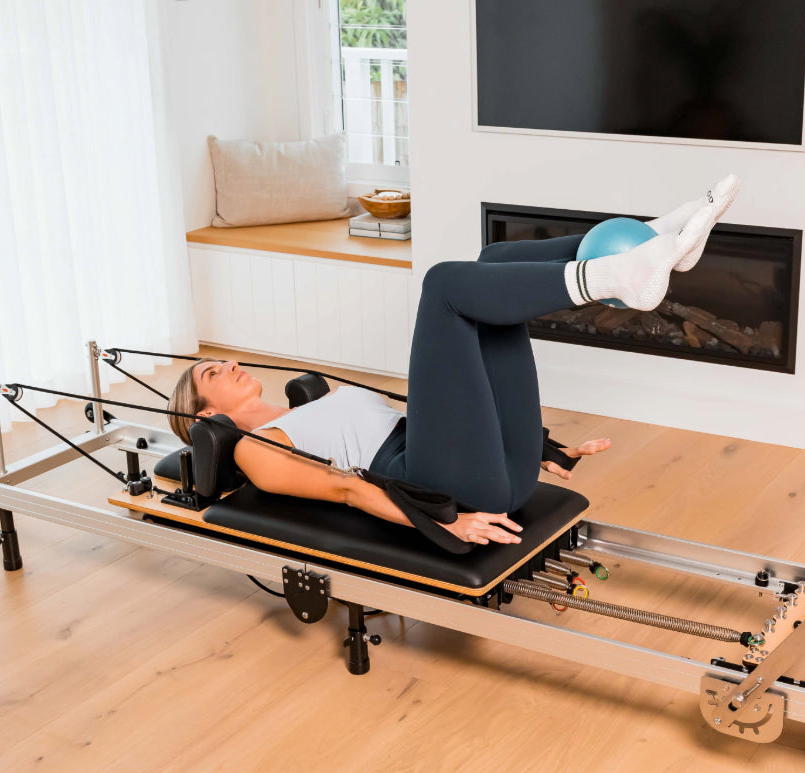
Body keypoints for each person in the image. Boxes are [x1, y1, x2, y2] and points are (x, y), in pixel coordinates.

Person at [168, 175, 740, 548]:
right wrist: (450, 522)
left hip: (491, 470)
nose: (228, 365)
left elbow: (455, 414)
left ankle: (647, 242)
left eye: (221, 360)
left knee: (492, 263)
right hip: (453, 491)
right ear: (202, 415)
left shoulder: (306, 403)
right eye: (211, 373)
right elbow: (348, 490)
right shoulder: (255, 449)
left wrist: (540, 446)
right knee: (445, 284)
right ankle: (613, 276)